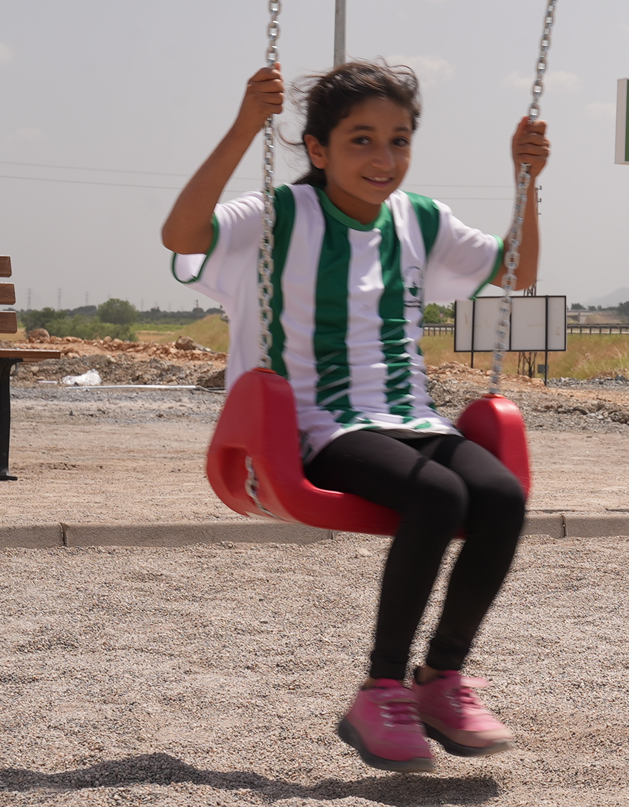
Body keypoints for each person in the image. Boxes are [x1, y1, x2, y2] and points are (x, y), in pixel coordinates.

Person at [164, 61, 546, 772]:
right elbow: (182, 233)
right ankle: (381, 688)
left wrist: (526, 182)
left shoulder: (419, 219)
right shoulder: (279, 215)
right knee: (439, 496)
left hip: (412, 419)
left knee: (501, 496)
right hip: (317, 428)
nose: (383, 158)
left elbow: (516, 271)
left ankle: (441, 679)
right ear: (318, 148)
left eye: (399, 140)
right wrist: (247, 126)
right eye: (361, 140)